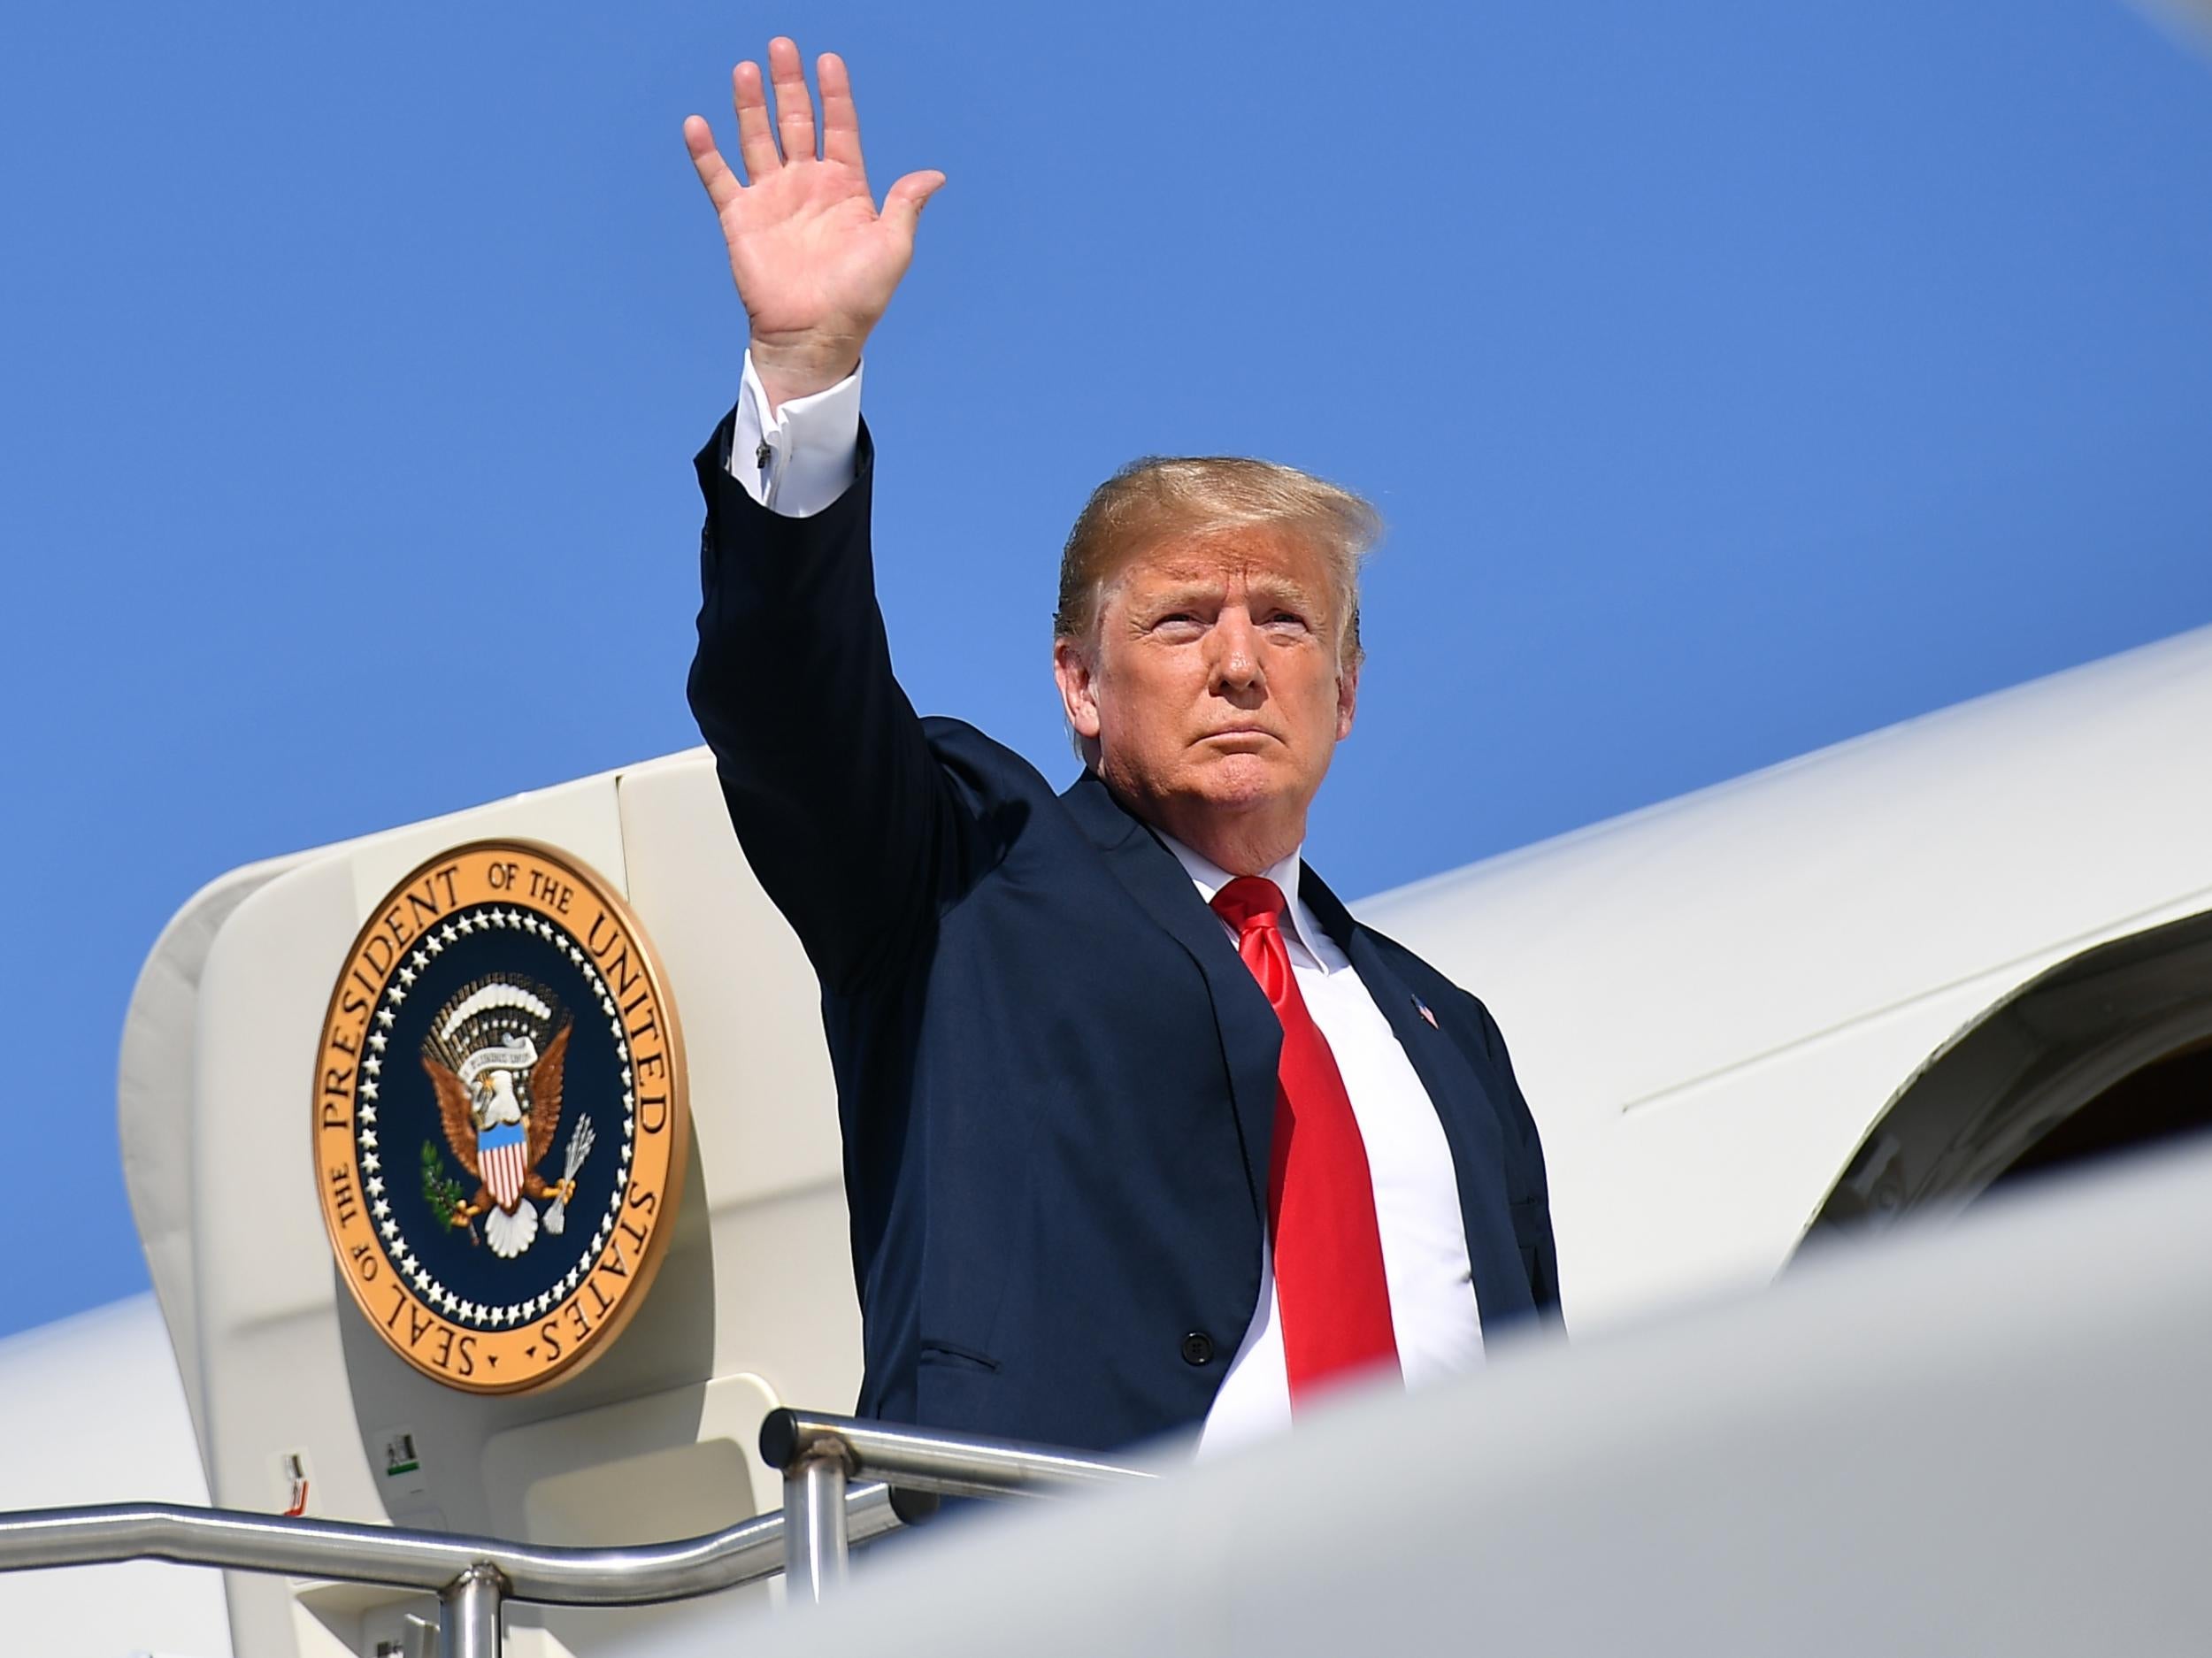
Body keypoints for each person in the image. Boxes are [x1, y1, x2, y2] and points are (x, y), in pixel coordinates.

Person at [682, 39, 1558, 1459]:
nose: (1234, 658)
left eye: (1284, 619)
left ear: (1346, 690)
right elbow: (791, 698)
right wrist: (805, 367)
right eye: (1178, 621)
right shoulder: (968, 888)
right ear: (1076, 684)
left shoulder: (1447, 1032)